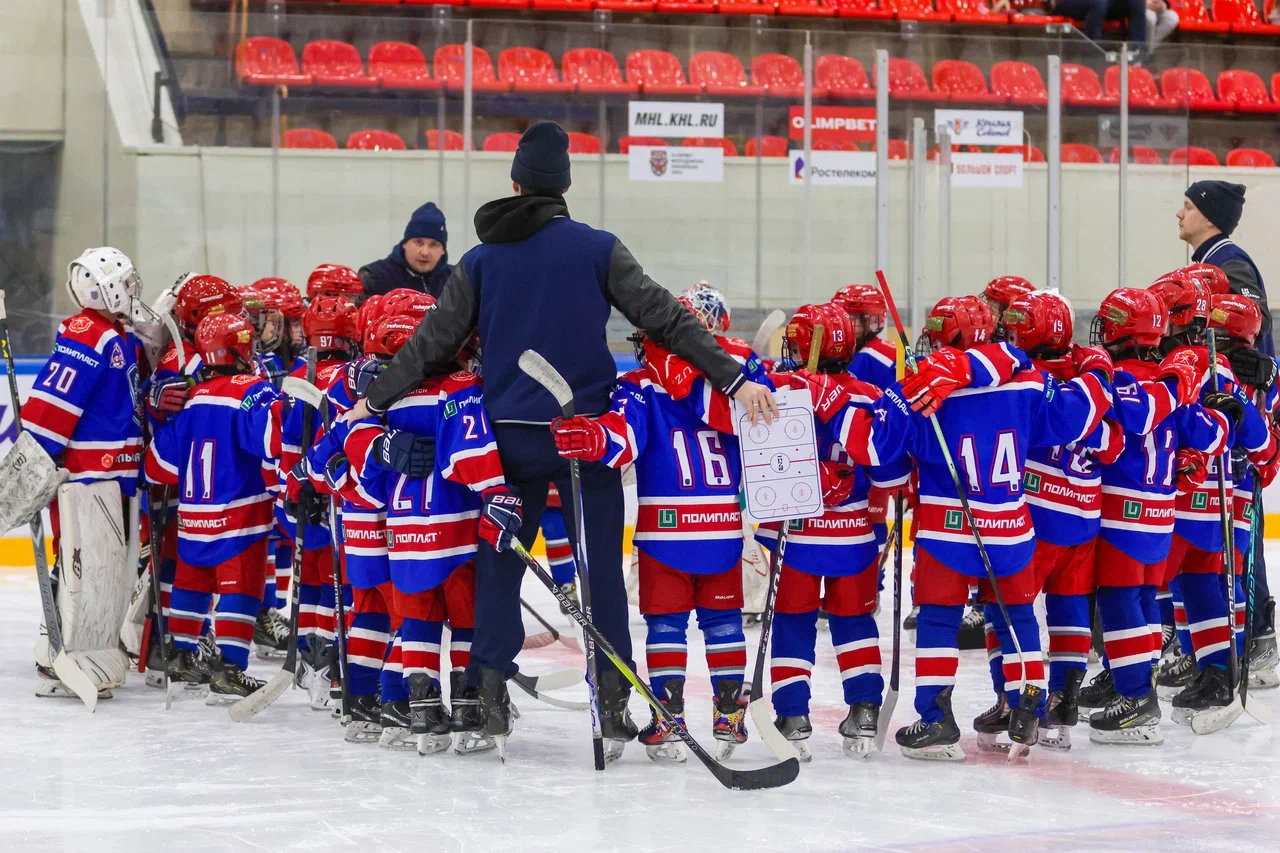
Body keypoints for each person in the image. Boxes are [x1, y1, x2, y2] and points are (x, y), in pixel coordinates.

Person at [347, 119, 777, 755]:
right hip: (586, 436)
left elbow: (432, 344)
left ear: (516, 182)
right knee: (598, 569)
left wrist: (370, 400)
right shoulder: (598, 248)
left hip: (508, 441)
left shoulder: (481, 259)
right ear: (565, 187)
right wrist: (734, 376)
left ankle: (486, 691)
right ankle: (611, 698)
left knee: (498, 565)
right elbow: (666, 316)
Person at [145, 313, 284, 703]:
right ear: (242, 349)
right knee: (242, 590)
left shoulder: (190, 400)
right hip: (240, 517)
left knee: (193, 583)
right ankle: (230, 670)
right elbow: (274, 443)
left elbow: (156, 466)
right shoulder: (255, 391)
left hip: (192, 519)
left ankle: (181, 656)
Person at [1177, 179, 1277, 677]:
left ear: (1210, 216)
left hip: (1239, 415)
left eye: (1189, 207)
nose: (1180, 214)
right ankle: (1219, 634)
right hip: (1227, 409)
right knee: (1222, 529)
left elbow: (1245, 337)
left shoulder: (1228, 264)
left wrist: (1246, 398)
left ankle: (1258, 633)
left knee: (1242, 522)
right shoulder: (1209, 260)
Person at [359, 202, 453, 299]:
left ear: (443, 250)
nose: (425, 252)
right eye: (418, 242)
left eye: (433, 245)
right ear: (404, 244)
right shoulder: (374, 277)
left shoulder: (456, 280)